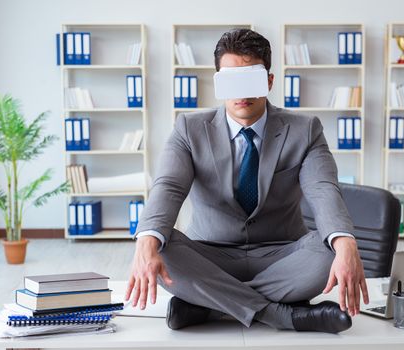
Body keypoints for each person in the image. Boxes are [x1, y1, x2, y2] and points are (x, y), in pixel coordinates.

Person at [125, 28, 369, 333]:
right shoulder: (189, 129)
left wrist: (345, 242)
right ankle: (283, 315)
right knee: (160, 247)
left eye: (251, 80)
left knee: (330, 248)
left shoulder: (305, 130)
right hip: (210, 256)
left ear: (268, 81)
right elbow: (169, 186)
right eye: (230, 81)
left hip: (283, 255)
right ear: (217, 83)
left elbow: (323, 189)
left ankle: (209, 305)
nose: (241, 93)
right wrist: (146, 241)